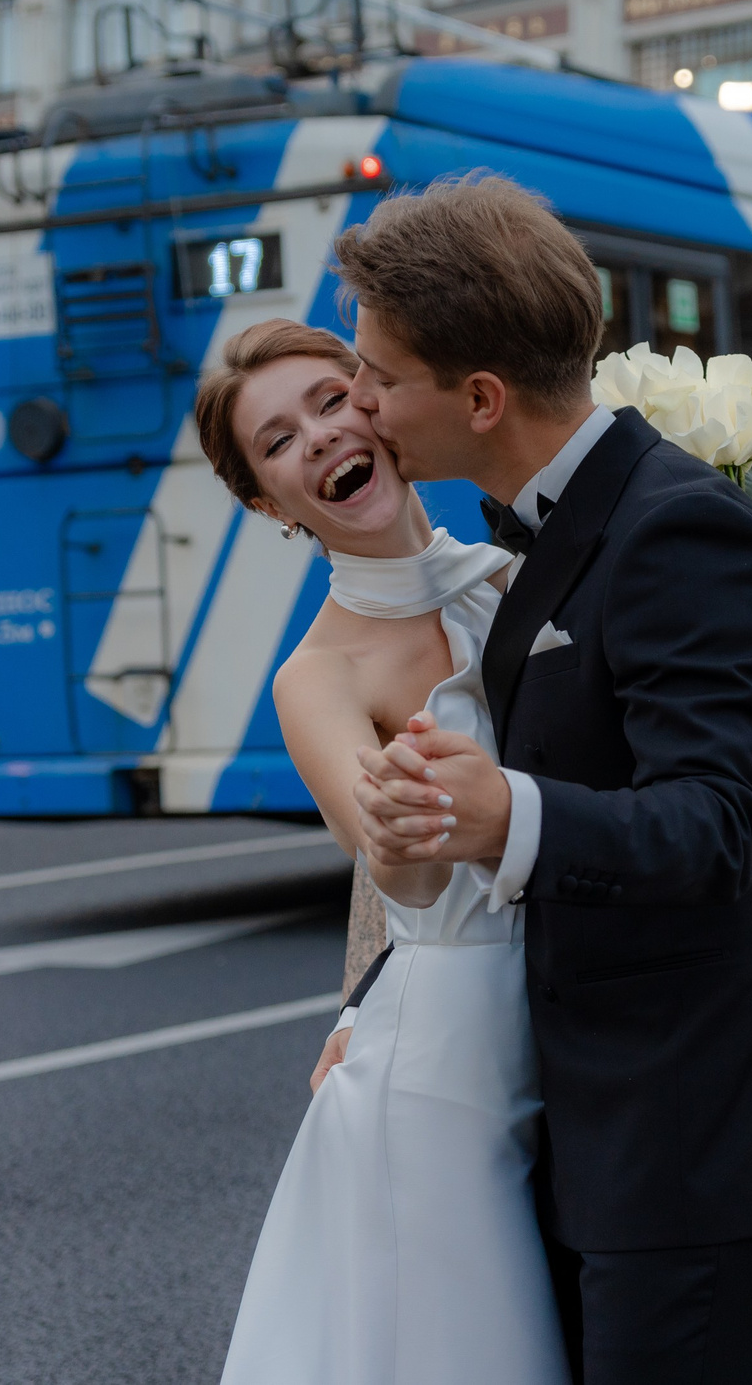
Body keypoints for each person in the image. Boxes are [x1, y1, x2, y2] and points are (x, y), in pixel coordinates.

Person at [340, 176, 752, 1384]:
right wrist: (373, 1010)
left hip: (706, 1143)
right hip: (613, 1136)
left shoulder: (681, 530)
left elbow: (714, 825)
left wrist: (504, 812)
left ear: (481, 398)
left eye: (380, 376)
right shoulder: (557, 522)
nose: (361, 403)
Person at [207, 319, 567, 1385]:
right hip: (446, 1070)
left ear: (381, 402)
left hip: (591, 1018)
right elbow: (392, 866)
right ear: (271, 503)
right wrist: (408, 823)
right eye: (278, 442)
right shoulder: (314, 678)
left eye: (331, 400)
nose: (318, 437)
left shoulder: (526, 574)